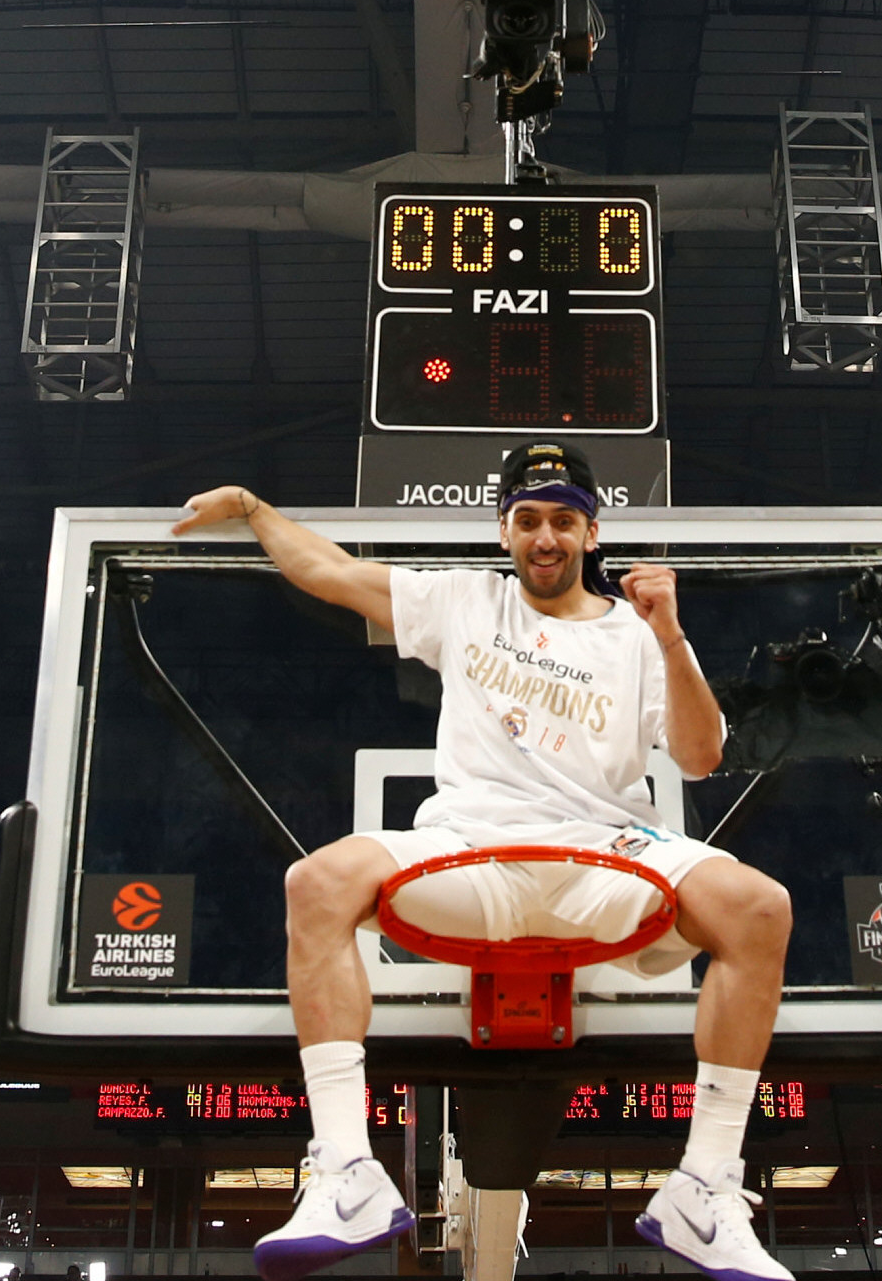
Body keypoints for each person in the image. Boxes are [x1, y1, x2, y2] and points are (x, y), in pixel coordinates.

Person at [172, 440, 793, 1281]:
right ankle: (347, 1171)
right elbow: (331, 572)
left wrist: (672, 635)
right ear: (504, 531)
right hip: (471, 850)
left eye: (564, 520)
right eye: (528, 519)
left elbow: (700, 756)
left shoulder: (639, 634)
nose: (546, 537)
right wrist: (253, 508)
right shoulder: (464, 601)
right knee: (317, 881)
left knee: (759, 906)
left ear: (592, 534)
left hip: (603, 856)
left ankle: (703, 1186)